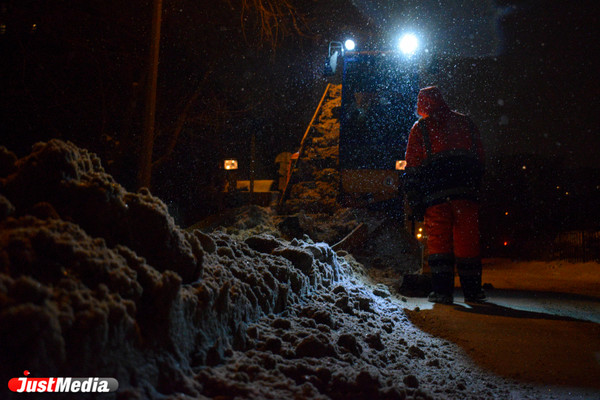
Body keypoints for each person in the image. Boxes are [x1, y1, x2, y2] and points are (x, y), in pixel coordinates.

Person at [404, 86, 486, 304]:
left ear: (423, 104)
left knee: (439, 241)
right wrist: (476, 187)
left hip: (436, 195)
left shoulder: (420, 128)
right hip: (465, 194)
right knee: (467, 240)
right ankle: (473, 291)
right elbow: (480, 158)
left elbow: (412, 166)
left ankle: (442, 291)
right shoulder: (466, 122)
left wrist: (414, 196)